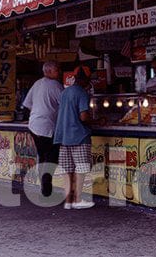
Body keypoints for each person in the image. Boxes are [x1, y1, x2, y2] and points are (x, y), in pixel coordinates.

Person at [21, 61, 63, 197]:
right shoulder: (56, 85)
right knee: (50, 156)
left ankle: (44, 184)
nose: (59, 72)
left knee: (43, 155)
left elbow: (27, 104)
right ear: (49, 71)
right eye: (57, 70)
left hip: (34, 125)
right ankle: (46, 185)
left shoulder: (37, 83)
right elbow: (66, 104)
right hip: (47, 126)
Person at [54, 66, 94, 209]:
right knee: (81, 169)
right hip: (79, 135)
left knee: (67, 169)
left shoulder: (65, 92)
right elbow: (83, 117)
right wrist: (95, 121)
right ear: (85, 79)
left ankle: (68, 201)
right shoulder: (82, 93)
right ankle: (77, 200)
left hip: (64, 136)